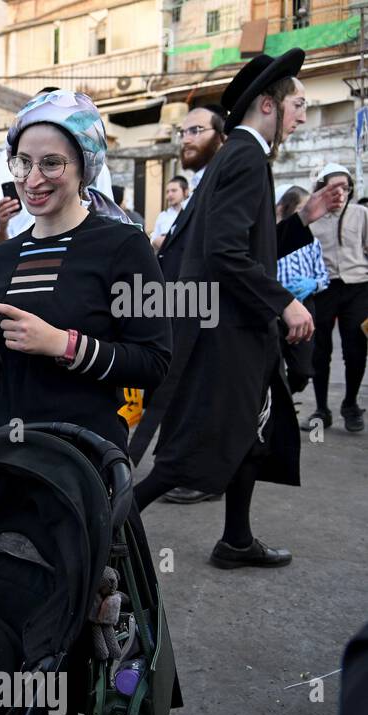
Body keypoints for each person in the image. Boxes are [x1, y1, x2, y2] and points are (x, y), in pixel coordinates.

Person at [0, 89, 174, 715]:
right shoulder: (3, 254)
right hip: (8, 467)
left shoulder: (122, 248)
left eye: (52, 163)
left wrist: (64, 343)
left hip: (85, 468)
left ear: (83, 166)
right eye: (24, 162)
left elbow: (153, 362)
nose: (35, 177)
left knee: (114, 629)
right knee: (16, 619)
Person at [135, 49, 346, 570]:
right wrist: (287, 302)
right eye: (298, 105)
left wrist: (306, 218)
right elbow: (225, 253)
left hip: (235, 330)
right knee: (193, 449)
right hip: (228, 334)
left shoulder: (237, 155)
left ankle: (236, 539)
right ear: (269, 105)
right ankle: (100, 530)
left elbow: (246, 243)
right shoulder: (247, 156)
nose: (302, 116)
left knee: (253, 434)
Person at [126, 103, 229, 483]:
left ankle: (168, 478)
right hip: (179, 303)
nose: (186, 139)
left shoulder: (220, 186)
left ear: (222, 138)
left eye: (196, 131)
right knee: (173, 393)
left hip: (205, 310)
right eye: (184, 132)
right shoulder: (198, 192)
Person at [306, 163, 367, 433]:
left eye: (346, 187)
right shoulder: (311, 218)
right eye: (334, 187)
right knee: (320, 351)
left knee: (356, 348)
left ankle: (350, 404)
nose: (341, 192)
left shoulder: (361, 214)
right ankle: (321, 409)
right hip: (324, 287)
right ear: (321, 189)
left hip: (358, 285)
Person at [274, 186, 327, 397]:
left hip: (304, 310)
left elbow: (323, 276)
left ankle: (283, 397)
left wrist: (312, 284)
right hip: (275, 309)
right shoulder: (268, 240)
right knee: (270, 369)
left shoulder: (311, 242)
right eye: (301, 207)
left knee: (302, 371)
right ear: (284, 208)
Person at [150, 176, 189, 249]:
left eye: (174, 190)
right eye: (167, 191)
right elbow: (153, 240)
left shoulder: (192, 213)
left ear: (185, 192)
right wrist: (156, 242)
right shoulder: (163, 216)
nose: (170, 194)